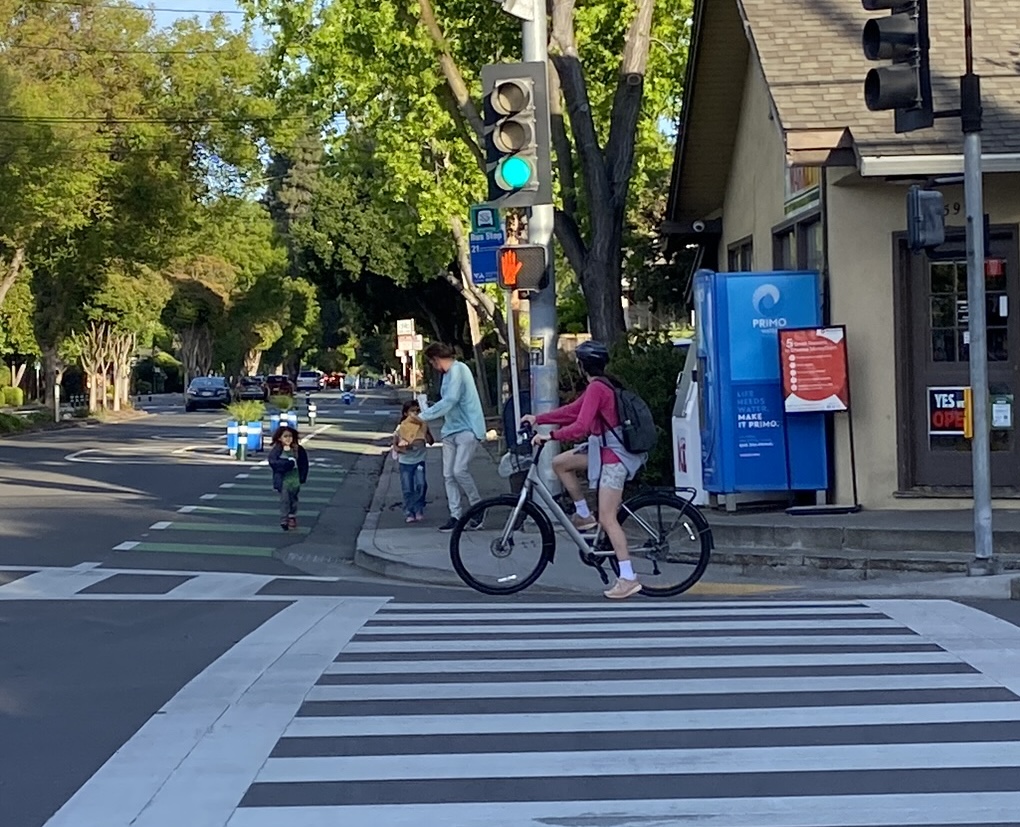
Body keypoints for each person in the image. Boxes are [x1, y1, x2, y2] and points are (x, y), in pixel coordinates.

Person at [522, 340, 647, 600]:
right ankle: (583, 515)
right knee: (561, 464)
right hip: (600, 450)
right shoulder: (599, 387)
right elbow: (574, 411)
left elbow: (579, 427)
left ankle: (628, 577)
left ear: (581, 366)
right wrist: (539, 419)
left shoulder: (598, 389)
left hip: (614, 457)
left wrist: (549, 436)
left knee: (608, 518)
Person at [411, 342, 486, 532]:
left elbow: (450, 400)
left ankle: (478, 507)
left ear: (436, 359)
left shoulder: (459, 370)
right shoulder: (447, 376)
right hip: (451, 429)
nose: (433, 366)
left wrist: (422, 416)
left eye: (431, 362)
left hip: (468, 428)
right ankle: (455, 515)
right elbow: (447, 402)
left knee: (459, 470)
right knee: (448, 475)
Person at [393, 399, 435, 523]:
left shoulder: (422, 426)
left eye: (417, 411)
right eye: (412, 411)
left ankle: (418, 509)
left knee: (421, 484)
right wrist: (403, 447)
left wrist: (426, 432)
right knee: (408, 488)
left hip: (419, 460)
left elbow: (431, 441)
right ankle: (410, 511)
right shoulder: (401, 427)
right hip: (405, 462)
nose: (415, 414)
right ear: (406, 413)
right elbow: (395, 444)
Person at [267, 425, 309, 531]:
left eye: (290, 436)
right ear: (279, 438)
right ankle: (284, 519)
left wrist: (302, 476)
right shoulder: (277, 450)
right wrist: (287, 464)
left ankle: (292, 515)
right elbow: (273, 462)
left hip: (295, 478)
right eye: (285, 436)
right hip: (283, 478)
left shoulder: (298, 449)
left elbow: (304, 464)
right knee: (285, 499)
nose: (288, 438)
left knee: (293, 499)